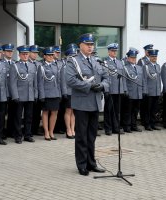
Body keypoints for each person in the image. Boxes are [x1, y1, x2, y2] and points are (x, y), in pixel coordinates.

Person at [66, 33, 109, 176]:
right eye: (88, 45)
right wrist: (89, 87)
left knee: (92, 136)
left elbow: (106, 76)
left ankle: (92, 163)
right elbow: (70, 80)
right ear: (81, 46)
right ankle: (82, 165)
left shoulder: (96, 60)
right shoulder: (73, 61)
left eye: (92, 45)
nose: (91, 47)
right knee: (82, 136)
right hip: (82, 103)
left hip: (95, 102)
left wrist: (102, 85)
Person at [9, 45, 37, 144]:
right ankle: (18, 135)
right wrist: (15, 95)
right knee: (18, 117)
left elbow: (35, 82)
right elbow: (12, 82)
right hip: (19, 95)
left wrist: (35, 94)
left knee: (29, 116)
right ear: (20, 55)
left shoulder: (32, 65)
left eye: (26, 54)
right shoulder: (15, 66)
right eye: (23, 54)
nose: (25, 56)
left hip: (30, 95)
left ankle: (27, 135)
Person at [38, 47, 66, 141]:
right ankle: (46, 132)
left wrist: (62, 93)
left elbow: (60, 81)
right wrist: (41, 95)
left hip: (56, 93)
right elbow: (40, 83)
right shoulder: (41, 67)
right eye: (49, 55)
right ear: (44, 56)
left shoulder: (57, 66)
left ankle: (51, 131)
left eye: (52, 55)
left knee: (55, 112)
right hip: (46, 93)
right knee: (45, 112)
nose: (51, 57)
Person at [103, 43, 126, 135]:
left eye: (115, 51)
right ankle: (108, 128)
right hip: (110, 90)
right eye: (113, 51)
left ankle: (116, 127)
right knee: (108, 110)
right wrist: (106, 90)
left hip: (118, 90)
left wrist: (124, 89)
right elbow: (105, 76)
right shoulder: (105, 62)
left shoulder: (120, 62)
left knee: (117, 110)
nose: (114, 52)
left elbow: (123, 77)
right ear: (109, 52)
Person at [123, 49, 147, 133]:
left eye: (134, 58)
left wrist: (144, 90)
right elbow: (124, 80)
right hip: (130, 93)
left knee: (135, 111)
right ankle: (127, 126)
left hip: (138, 93)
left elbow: (143, 80)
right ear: (128, 58)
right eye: (132, 58)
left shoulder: (139, 68)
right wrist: (125, 90)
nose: (133, 59)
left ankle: (134, 125)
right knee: (128, 111)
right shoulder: (125, 68)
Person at [142, 49, 162, 131]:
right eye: (153, 56)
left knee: (154, 109)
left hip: (156, 91)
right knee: (148, 109)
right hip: (149, 92)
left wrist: (159, 90)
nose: (154, 58)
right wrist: (145, 90)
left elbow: (159, 79)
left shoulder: (158, 66)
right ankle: (147, 125)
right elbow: (144, 79)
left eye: (155, 56)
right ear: (149, 57)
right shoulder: (146, 66)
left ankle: (153, 124)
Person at [63, 47, 78, 139]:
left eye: (75, 55)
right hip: (68, 91)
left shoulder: (77, 66)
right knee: (68, 111)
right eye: (71, 56)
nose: (73, 57)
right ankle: (68, 129)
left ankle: (73, 129)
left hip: (75, 91)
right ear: (68, 56)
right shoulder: (65, 66)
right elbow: (63, 81)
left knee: (74, 112)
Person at [1, 43, 16, 139]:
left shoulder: (15, 63)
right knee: (2, 114)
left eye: (11, 51)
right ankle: (2, 132)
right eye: (8, 51)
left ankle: (11, 131)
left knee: (13, 113)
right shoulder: (1, 63)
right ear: (3, 52)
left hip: (13, 92)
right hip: (3, 92)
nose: (10, 53)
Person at [29, 45, 44, 136]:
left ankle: (35, 129)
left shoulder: (39, 64)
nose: (35, 55)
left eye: (36, 53)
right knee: (30, 113)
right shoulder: (27, 63)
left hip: (38, 91)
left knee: (37, 112)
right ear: (29, 53)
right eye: (33, 53)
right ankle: (29, 130)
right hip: (30, 92)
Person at [137, 44, 153, 126]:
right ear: (145, 51)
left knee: (151, 107)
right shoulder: (141, 61)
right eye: (148, 51)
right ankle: (145, 122)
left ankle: (150, 122)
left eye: (151, 51)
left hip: (152, 88)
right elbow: (140, 75)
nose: (149, 52)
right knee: (145, 106)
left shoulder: (152, 61)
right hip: (144, 87)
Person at [53, 45, 67, 135]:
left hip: (60, 90)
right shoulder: (44, 63)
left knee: (61, 110)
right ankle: (53, 129)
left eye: (59, 53)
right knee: (53, 111)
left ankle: (60, 127)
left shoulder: (61, 63)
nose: (57, 54)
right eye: (56, 52)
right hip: (52, 91)